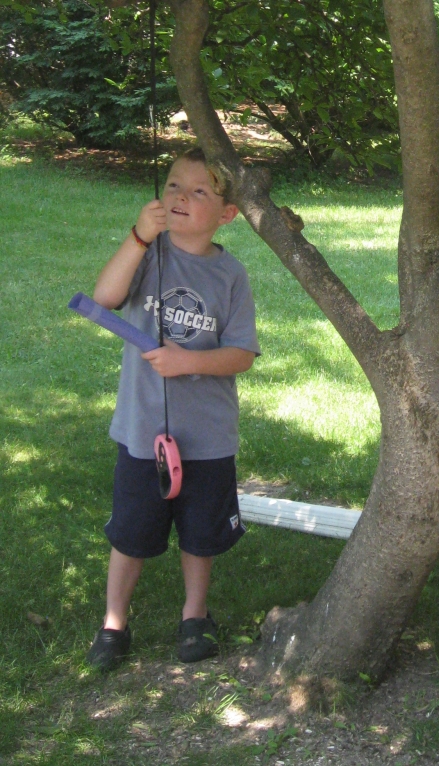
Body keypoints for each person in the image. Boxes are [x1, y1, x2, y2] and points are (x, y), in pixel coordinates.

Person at [86, 147, 260, 671]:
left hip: (206, 438)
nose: (180, 198)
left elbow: (242, 355)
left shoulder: (231, 275)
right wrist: (138, 237)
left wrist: (189, 360)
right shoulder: (148, 253)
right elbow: (106, 296)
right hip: (143, 432)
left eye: (199, 191)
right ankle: (114, 623)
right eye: (173, 186)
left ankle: (194, 616)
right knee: (131, 533)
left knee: (200, 533)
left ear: (227, 214)